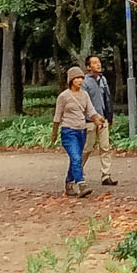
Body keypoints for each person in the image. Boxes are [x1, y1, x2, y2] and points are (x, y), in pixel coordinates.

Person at [53, 66, 97, 198]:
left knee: (76, 159)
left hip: (81, 131)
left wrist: (98, 118)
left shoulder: (85, 95)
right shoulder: (63, 96)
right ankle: (81, 184)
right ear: (71, 80)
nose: (80, 81)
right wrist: (54, 133)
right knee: (76, 157)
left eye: (81, 78)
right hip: (68, 131)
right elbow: (57, 115)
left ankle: (68, 183)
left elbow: (90, 110)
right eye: (77, 78)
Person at [81, 54, 118, 186]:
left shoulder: (103, 80)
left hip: (103, 119)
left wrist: (109, 116)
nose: (98, 65)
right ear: (88, 67)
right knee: (87, 148)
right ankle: (77, 173)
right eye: (94, 63)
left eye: (99, 62)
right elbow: (83, 102)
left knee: (105, 147)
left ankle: (106, 175)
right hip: (89, 120)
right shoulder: (84, 82)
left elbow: (107, 98)